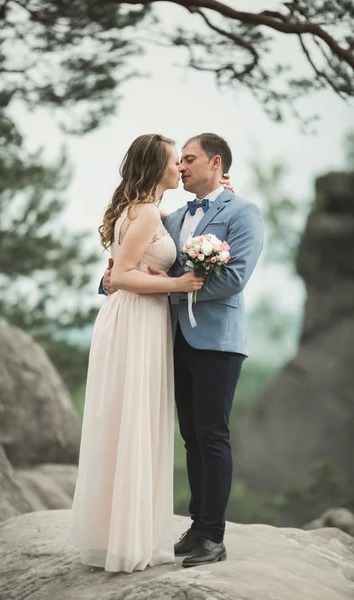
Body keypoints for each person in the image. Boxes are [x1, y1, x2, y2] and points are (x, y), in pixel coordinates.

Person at [103, 133, 264, 568]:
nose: (182, 167)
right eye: (179, 161)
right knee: (191, 438)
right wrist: (119, 281)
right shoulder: (172, 218)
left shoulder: (244, 212)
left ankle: (214, 536)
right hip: (173, 340)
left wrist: (172, 291)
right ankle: (196, 527)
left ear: (215, 163)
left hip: (218, 341)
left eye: (189, 160)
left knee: (212, 435)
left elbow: (234, 279)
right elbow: (143, 261)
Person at [67, 134, 206, 573]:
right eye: (173, 161)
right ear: (156, 167)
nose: (179, 168)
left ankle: (121, 535)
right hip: (135, 320)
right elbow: (122, 275)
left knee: (129, 423)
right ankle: (125, 541)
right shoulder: (144, 212)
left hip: (137, 320)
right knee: (132, 423)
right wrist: (177, 285)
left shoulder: (149, 210)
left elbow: (164, 230)